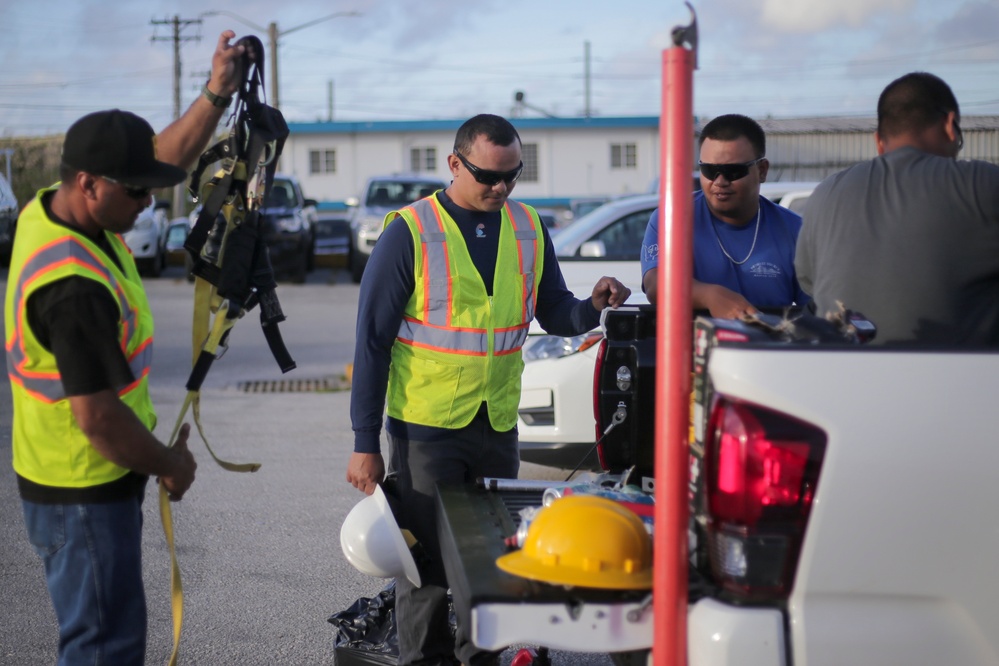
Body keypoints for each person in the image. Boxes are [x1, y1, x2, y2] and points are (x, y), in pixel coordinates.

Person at [346, 113, 630, 666]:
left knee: (495, 561)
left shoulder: (527, 227)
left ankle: (481, 660)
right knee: (424, 565)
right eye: (488, 176)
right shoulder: (410, 230)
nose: (501, 188)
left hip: (497, 425)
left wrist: (591, 306)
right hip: (425, 429)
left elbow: (555, 311)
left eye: (513, 176)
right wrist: (364, 441)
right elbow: (371, 341)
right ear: (454, 164)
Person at [4, 31, 246, 666]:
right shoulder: (73, 287)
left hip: (69, 477)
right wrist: (170, 463)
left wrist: (217, 91)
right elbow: (98, 418)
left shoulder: (50, 209)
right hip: (83, 486)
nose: (148, 204)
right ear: (90, 183)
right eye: (137, 192)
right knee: (105, 647)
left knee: (102, 636)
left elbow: (155, 154)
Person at [795, 72, 999, 345]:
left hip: (844, 378)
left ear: (879, 141)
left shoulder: (825, 193)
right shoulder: (982, 183)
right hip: (956, 382)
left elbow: (809, 280)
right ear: (950, 126)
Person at [640, 114, 809, 316]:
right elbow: (655, 284)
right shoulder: (671, 219)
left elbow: (818, 310)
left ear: (762, 170)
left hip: (768, 344)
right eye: (709, 170)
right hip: (694, 346)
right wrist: (708, 296)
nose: (720, 181)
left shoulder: (796, 232)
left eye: (733, 171)